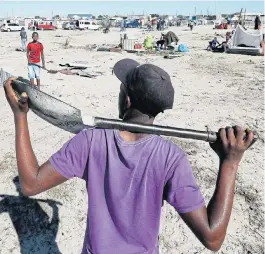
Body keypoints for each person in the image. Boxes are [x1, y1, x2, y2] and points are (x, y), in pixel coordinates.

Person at [3, 59, 254, 254]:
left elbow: (30, 183)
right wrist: (229, 164)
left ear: (128, 99)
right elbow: (213, 236)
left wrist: (20, 116)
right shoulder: (171, 158)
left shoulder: (92, 141)